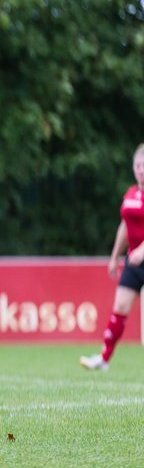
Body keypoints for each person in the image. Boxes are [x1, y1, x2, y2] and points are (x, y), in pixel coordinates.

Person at [81, 143, 144, 371]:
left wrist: (142, 250)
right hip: (133, 263)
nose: (141, 170)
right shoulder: (131, 194)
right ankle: (104, 358)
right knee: (120, 307)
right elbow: (125, 227)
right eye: (138, 165)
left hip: (141, 256)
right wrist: (114, 256)